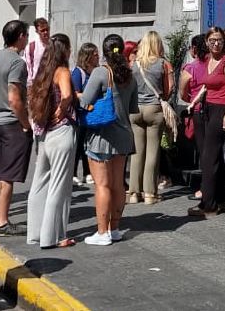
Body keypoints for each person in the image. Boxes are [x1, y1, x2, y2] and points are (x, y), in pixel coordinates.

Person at [79, 34, 139, 245]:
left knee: (102, 186)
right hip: (124, 134)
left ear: (104, 52)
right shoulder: (130, 76)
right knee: (117, 184)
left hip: (102, 135)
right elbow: (132, 108)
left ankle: (102, 232)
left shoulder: (100, 72)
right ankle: (114, 228)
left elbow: (85, 101)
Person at [26, 33, 78, 248]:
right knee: (60, 186)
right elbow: (66, 95)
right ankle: (54, 237)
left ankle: (35, 234)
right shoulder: (62, 71)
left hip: (44, 134)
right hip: (62, 131)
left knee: (40, 183)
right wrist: (62, 110)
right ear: (65, 50)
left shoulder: (43, 72)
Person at [0, 20, 33, 237]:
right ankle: (2, 222)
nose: (27, 39)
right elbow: (14, 98)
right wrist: (26, 124)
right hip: (11, 123)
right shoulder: (17, 62)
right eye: (27, 35)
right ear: (20, 36)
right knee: (8, 174)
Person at [188, 27, 225, 218]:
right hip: (206, 108)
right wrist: (194, 101)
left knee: (208, 158)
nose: (216, 44)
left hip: (221, 109)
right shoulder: (208, 60)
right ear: (207, 42)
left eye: (219, 40)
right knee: (214, 154)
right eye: (212, 41)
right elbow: (206, 86)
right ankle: (223, 198)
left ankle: (209, 205)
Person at [129, 30, 173, 205]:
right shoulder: (163, 64)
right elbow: (169, 88)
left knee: (137, 153)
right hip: (154, 108)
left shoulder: (134, 64)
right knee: (152, 152)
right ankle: (149, 193)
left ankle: (134, 193)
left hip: (135, 109)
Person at [178, 33, 209, 201]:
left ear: (194, 48)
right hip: (217, 109)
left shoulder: (190, 68)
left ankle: (205, 188)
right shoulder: (214, 65)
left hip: (199, 110)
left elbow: (182, 93)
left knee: (204, 150)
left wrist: (192, 99)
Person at [71, 42, 99, 187]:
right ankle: (74, 173)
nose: (98, 56)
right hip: (80, 113)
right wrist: (89, 96)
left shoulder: (96, 71)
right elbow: (75, 93)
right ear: (87, 56)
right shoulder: (78, 72)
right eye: (95, 54)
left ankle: (88, 172)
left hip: (91, 113)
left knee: (88, 144)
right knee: (79, 144)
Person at [24, 18, 51, 84]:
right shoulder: (31, 47)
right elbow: (28, 67)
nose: (46, 32)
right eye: (42, 30)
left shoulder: (54, 45)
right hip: (36, 83)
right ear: (37, 31)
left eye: (47, 29)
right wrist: (30, 84)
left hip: (51, 82)